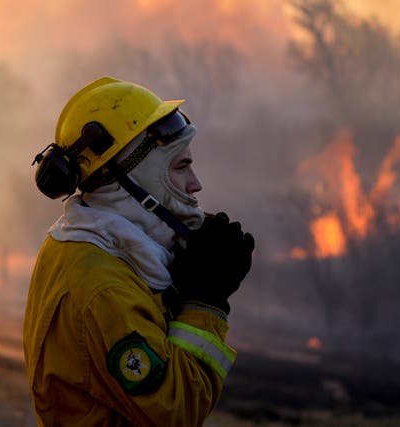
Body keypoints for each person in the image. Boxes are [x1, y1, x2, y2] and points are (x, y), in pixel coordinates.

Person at [23, 76, 255, 426]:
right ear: (136, 180)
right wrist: (205, 302)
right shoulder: (104, 290)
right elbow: (176, 411)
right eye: (180, 167)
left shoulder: (92, 245)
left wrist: (179, 290)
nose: (196, 184)